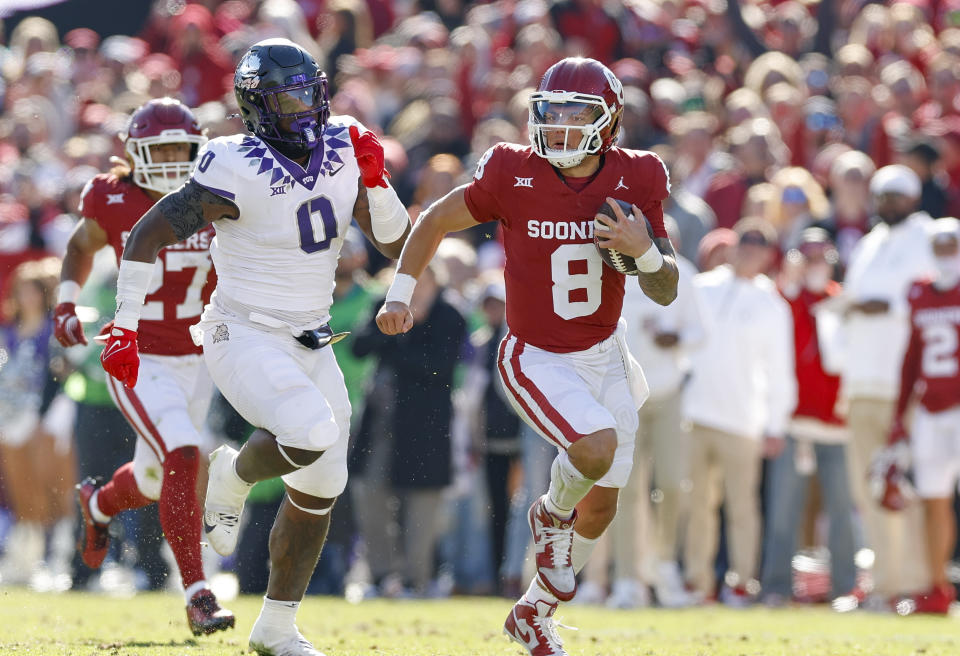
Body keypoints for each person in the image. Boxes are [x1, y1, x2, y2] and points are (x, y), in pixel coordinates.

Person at [98, 39, 410, 656]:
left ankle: (275, 627)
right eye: (285, 96)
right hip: (240, 330)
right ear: (255, 106)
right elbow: (145, 235)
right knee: (310, 432)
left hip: (310, 337)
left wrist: (376, 183)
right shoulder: (231, 160)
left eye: (307, 92)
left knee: (323, 484)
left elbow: (396, 243)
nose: (301, 107)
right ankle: (232, 478)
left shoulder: (347, 143)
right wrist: (124, 325)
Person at [376, 57, 678, 656]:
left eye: (577, 114)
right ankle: (548, 513)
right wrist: (400, 292)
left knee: (600, 510)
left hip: (606, 353)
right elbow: (436, 216)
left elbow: (665, 288)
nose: (562, 126)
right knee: (593, 450)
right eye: (552, 112)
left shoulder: (638, 176)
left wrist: (645, 252)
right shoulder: (514, 170)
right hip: (536, 354)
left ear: (609, 121)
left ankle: (534, 613)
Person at [54, 98, 233, 633]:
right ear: (136, 155)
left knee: (157, 479)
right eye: (164, 151)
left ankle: (99, 502)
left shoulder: (217, 193)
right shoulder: (112, 198)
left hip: (198, 356)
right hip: (136, 354)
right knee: (182, 453)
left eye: (184, 150)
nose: (176, 162)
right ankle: (198, 593)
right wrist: (66, 301)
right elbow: (79, 245)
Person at [682, 219, 797, 606]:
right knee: (698, 507)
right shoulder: (701, 287)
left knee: (742, 510)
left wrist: (775, 424)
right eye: (745, 241)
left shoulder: (772, 304)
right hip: (695, 413)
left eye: (759, 244)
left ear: (768, 254)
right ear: (732, 246)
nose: (750, 249)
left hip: (744, 420)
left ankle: (741, 582)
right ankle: (698, 583)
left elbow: (780, 371)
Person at [838, 164, 936, 605]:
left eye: (895, 196)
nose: (887, 203)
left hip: (905, 384)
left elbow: (936, 298)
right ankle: (883, 584)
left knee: (905, 484)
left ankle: (915, 584)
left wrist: (889, 306)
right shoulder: (870, 243)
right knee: (868, 488)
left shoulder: (930, 239)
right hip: (862, 380)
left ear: (913, 197)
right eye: (881, 196)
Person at [760, 229, 857, 606]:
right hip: (795, 423)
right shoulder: (787, 299)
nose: (816, 264)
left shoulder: (842, 301)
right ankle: (776, 587)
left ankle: (846, 588)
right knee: (783, 509)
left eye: (822, 257)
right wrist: (792, 276)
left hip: (836, 426)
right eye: (808, 257)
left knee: (841, 512)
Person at [881, 218, 960, 614]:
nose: (947, 254)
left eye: (953, 246)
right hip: (930, 409)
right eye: (941, 247)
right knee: (934, 499)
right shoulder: (920, 292)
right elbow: (911, 357)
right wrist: (899, 415)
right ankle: (938, 586)